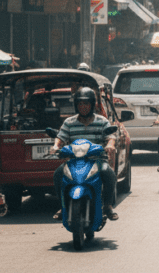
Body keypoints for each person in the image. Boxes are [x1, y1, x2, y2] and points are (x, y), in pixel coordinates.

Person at [51, 87, 118, 221]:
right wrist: (55, 146)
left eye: (86, 103)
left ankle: (108, 205)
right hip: (74, 161)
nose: (83, 107)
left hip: (97, 160)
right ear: (76, 105)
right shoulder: (69, 122)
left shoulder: (102, 121)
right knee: (58, 174)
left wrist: (110, 145)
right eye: (80, 104)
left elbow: (110, 136)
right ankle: (63, 205)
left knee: (108, 173)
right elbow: (60, 137)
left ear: (92, 104)